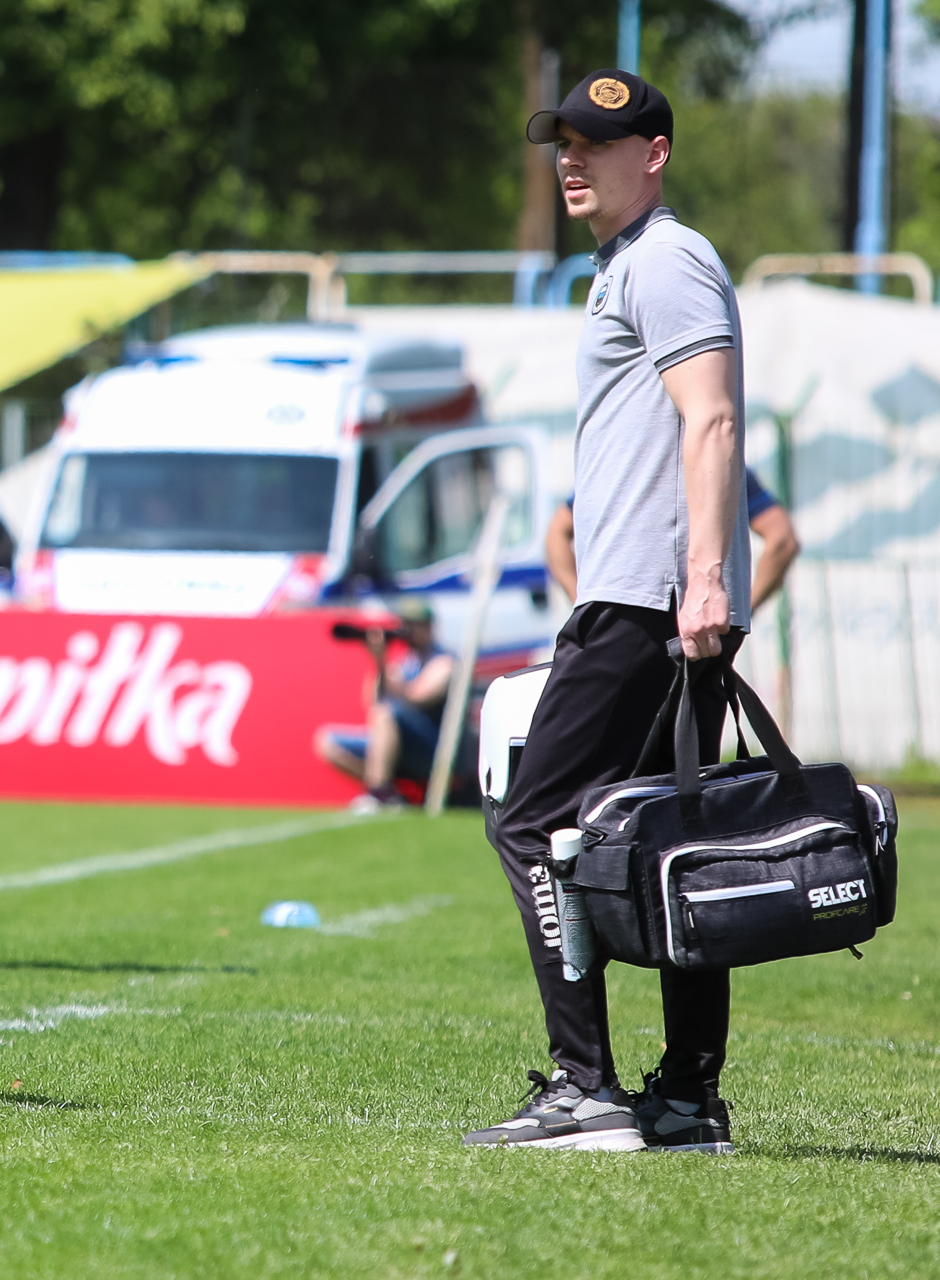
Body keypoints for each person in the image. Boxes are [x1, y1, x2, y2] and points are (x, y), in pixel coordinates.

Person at [465, 70, 752, 1152]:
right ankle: (684, 1095)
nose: (571, 157)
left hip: (646, 602)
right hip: (646, 600)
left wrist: (704, 578)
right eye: (563, 140)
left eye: (596, 140)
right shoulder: (625, 264)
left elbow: (710, 419)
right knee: (669, 834)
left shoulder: (664, 258)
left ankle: (585, 1087)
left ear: (655, 153)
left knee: (531, 819)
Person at [546, 469, 798, 610]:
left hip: (623, 619)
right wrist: (743, 609)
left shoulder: (624, 467)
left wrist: (582, 602)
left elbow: (557, 532)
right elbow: (783, 540)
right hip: (701, 626)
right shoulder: (723, 466)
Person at [313, 598, 454, 812]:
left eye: (413, 625)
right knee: (327, 741)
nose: (407, 631)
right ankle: (389, 793)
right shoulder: (406, 663)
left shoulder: (444, 662)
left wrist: (385, 666)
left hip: (435, 745)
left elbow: (417, 697)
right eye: (404, 624)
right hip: (397, 746)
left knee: (386, 713)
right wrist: (378, 661)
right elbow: (372, 701)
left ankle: (379, 792)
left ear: (428, 627)